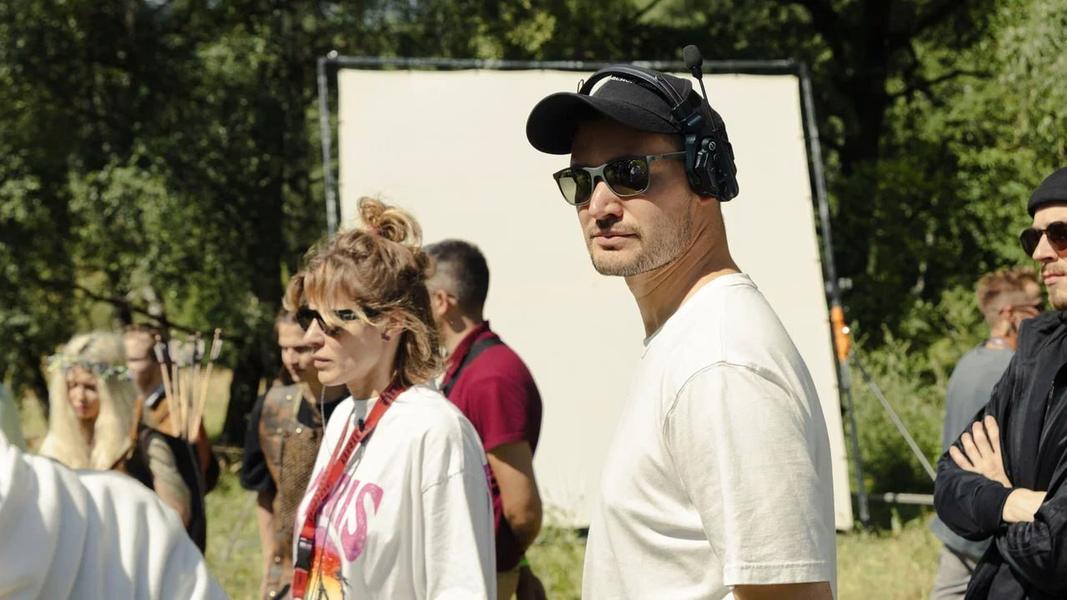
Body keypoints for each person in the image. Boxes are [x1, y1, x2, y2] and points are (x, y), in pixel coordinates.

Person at [525, 61, 837, 599]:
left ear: (704, 175)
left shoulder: (721, 363)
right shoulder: (688, 340)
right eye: (580, 181)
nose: (599, 206)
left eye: (629, 173)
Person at [287, 197, 494, 599]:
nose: (312, 337)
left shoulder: (435, 431)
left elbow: (459, 587)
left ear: (391, 323)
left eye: (334, 320)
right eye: (309, 317)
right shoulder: (344, 416)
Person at [935, 166, 1067, 598]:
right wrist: (1012, 501)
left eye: (1060, 234)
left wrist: (997, 496)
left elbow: (1056, 551)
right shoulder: (1035, 353)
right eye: (1033, 238)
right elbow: (949, 479)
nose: (1041, 252)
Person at [425, 239, 546, 600]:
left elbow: (522, 510)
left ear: (441, 302)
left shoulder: (491, 376)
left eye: (418, 298)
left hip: (483, 577)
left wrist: (512, 563)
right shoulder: (466, 367)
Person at [1, 429, 225, 599]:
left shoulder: (131, 514)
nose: (80, 397)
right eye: (73, 387)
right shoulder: (128, 508)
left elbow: (180, 502)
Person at [929, 267, 1042, 599]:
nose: (1043, 315)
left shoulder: (969, 360)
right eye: (1036, 307)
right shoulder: (1013, 372)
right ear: (1009, 314)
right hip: (993, 526)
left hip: (959, 521)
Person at [38, 331, 198, 541]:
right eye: (72, 386)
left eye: (90, 387)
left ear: (112, 391)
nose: (79, 397)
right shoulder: (55, 446)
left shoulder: (143, 445)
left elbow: (176, 516)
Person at [241, 306, 350, 600]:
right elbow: (265, 493)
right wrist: (271, 558)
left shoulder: (356, 407)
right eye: (284, 349)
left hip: (343, 560)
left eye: (300, 349)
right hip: (289, 562)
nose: (290, 359)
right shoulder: (271, 407)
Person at [124, 325, 220, 489]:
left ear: (158, 362)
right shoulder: (131, 405)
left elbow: (197, 474)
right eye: (123, 360)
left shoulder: (179, 412)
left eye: (133, 360)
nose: (125, 368)